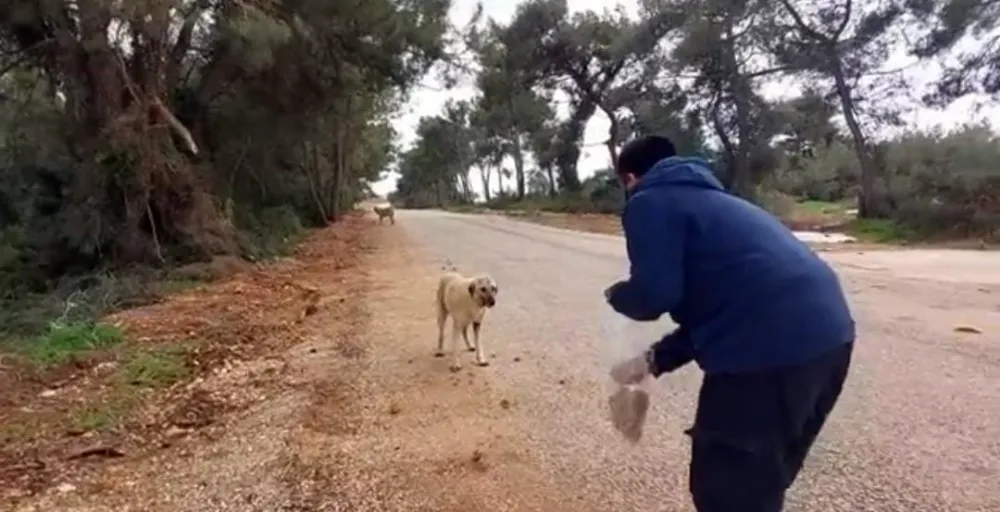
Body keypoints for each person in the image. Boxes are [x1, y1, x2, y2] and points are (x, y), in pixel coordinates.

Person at [604, 135, 855, 512]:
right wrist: (653, 360)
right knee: (761, 479)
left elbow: (654, 295)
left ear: (629, 178)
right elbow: (726, 306)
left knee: (726, 488)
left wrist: (618, 295)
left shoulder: (648, 201)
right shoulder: (721, 202)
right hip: (830, 340)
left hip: (767, 351)